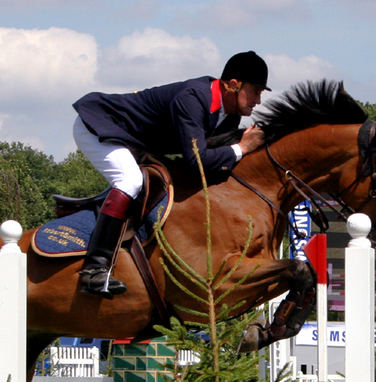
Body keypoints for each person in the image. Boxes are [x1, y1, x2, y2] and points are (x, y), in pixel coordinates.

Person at [72, 50, 270, 296]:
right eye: (256, 91)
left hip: (136, 141)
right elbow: (197, 160)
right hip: (101, 127)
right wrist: (241, 148)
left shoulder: (227, 117)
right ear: (233, 85)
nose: (258, 101)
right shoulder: (193, 98)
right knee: (130, 181)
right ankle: (94, 270)